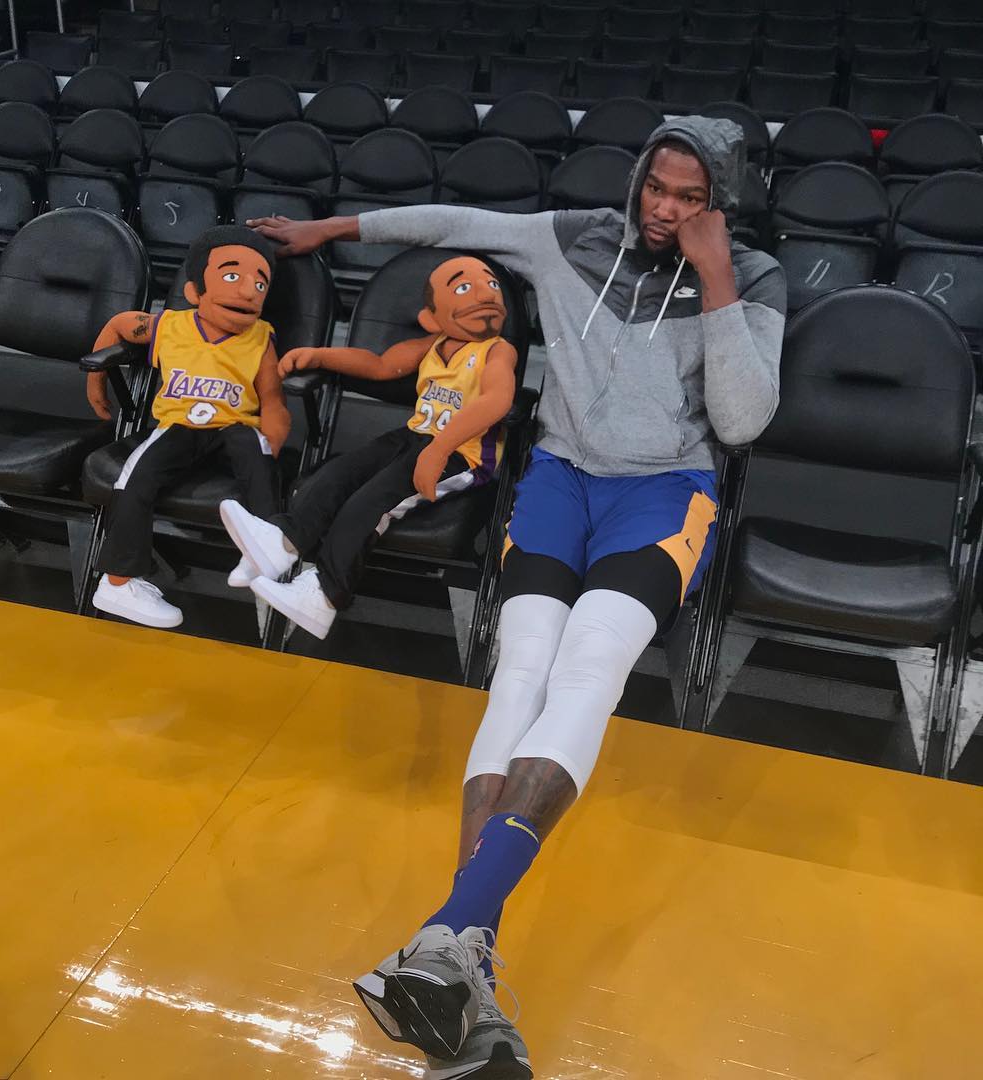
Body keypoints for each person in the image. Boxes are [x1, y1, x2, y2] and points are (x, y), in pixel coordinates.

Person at [252, 116, 787, 1080]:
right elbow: (453, 219)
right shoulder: (573, 239)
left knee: (590, 669)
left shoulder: (755, 277)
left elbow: (742, 420)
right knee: (520, 673)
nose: (665, 209)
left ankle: (454, 928)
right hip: (558, 481)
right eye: (656, 186)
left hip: (665, 493)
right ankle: (462, 959)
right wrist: (332, 229)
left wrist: (716, 279)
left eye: (691, 197)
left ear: (722, 204)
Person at [218, 255, 517, 640]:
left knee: (369, 502)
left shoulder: (497, 350)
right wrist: (320, 355)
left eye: (491, 285)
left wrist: (440, 449)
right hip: (415, 437)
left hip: (463, 456)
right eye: (464, 288)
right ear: (431, 319)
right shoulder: (434, 343)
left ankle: (326, 594)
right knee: (337, 474)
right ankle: (283, 543)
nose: (486, 294)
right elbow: (379, 365)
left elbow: (497, 400)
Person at [86, 226, 289, 630]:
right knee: (136, 477)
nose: (248, 291)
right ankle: (118, 582)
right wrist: (96, 382)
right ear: (195, 291)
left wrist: (274, 437)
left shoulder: (260, 338)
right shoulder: (169, 325)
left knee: (258, 456)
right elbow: (121, 323)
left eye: (260, 283)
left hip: (235, 424)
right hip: (179, 424)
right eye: (232, 276)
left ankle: (268, 557)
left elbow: (272, 399)